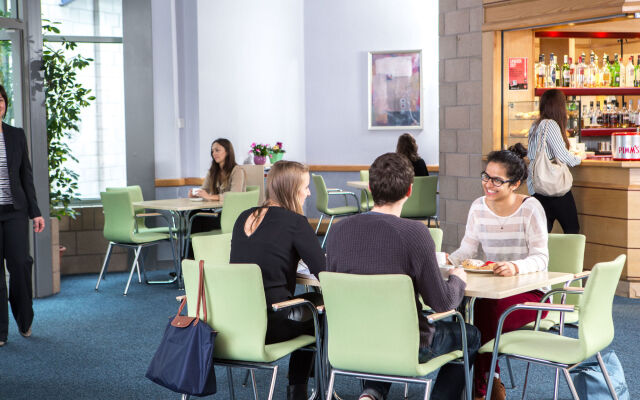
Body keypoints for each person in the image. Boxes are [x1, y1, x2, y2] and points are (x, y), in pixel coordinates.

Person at [326, 152, 480, 400]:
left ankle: (372, 394)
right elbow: (441, 303)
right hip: (406, 343)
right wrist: (458, 280)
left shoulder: (337, 231)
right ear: (410, 190)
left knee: (381, 323)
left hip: (351, 338)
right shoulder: (415, 233)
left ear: (369, 187)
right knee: (470, 335)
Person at [448, 144, 549, 400]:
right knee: (462, 309)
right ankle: (490, 378)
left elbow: (541, 258)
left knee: (482, 314)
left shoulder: (531, 208)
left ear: (515, 184)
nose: (488, 184)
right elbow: (468, 250)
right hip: (494, 291)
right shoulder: (478, 207)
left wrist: (515, 267)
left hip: (532, 293)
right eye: (486, 176)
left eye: (497, 180)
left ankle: (479, 391)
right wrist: (450, 259)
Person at [230, 161, 325, 400]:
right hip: (272, 321)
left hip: (235, 321)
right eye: (305, 186)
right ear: (292, 189)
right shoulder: (295, 223)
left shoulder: (243, 217)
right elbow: (325, 272)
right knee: (322, 307)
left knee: (310, 303)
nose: (309, 192)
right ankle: (298, 390)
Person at [0, 84, 45, 347]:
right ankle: (1, 331)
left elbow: (25, 175)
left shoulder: (16, 135)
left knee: (20, 264)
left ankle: (24, 319)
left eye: (2, 100)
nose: (0, 105)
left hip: (15, 211)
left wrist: (35, 211)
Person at [527, 89, 583, 233]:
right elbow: (562, 155)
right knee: (572, 230)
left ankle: (542, 256)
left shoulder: (535, 125)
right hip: (553, 187)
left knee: (542, 234)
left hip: (536, 186)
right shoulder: (550, 124)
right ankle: (570, 256)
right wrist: (579, 159)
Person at [187, 138, 246, 251]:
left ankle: (195, 258)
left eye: (217, 150)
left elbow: (235, 195)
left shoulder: (237, 170)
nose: (214, 153)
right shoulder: (213, 171)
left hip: (231, 217)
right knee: (194, 215)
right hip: (218, 213)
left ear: (227, 152)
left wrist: (209, 197)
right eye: (212, 151)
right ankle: (194, 259)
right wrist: (196, 193)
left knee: (196, 219)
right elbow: (204, 189)